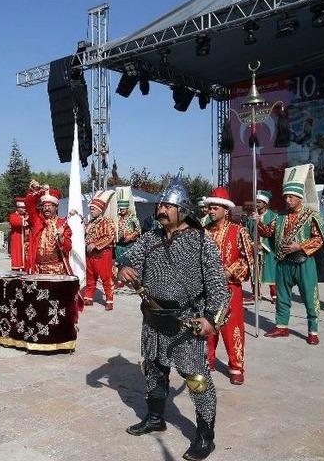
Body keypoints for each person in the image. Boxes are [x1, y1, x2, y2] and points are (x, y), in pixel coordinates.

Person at [116, 172, 229, 461]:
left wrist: (211, 320)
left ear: (183, 211)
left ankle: (205, 436)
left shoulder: (201, 243)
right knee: (153, 369)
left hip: (185, 321)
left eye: (168, 206)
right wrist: (123, 268)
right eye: (160, 205)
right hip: (153, 318)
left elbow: (219, 286)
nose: (161, 210)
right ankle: (156, 417)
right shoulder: (151, 237)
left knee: (197, 379)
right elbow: (128, 257)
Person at [255, 177, 324, 345]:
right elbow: (268, 233)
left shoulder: (311, 216)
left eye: (291, 197)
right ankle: (282, 326)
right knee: (282, 296)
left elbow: (319, 239)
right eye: (286, 197)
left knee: (309, 296)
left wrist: (299, 246)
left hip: (304, 262)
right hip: (283, 262)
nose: (287, 200)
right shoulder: (280, 216)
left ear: (300, 197)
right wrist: (258, 223)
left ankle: (312, 330)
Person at [203, 187, 253, 385]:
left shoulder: (238, 231)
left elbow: (247, 260)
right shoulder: (203, 232)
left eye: (215, 208)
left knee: (232, 328)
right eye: (209, 208)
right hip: (207, 289)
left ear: (225, 209)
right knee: (207, 326)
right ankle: (208, 360)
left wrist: (228, 271)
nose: (211, 211)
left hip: (230, 288)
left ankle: (236, 366)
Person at [25, 181, 72, 275]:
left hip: (57, 269)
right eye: (44, 206)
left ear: (56, 208)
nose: (46, 208)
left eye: (50, 206)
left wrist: (61, 237)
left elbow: (68, 248)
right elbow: (29, 205)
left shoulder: (62, 223)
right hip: (38, 269)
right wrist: (35, 191)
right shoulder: (37, 220)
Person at [84, 190, 116, 310]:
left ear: (100, 209)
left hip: (103, 254)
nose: (91, 210)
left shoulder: (107, 221)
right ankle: (88, 298)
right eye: (91, 208)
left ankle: (109, 300)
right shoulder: (90, 223)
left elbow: (110, 236)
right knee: (90, 277)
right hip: (90, 255)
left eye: (93, 208)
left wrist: (95, 245)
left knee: (106, 277)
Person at [245, 190, 278, 303]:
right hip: (254, 249)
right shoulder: (250, 218)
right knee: (255, 273)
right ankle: (256, 295)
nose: (257, 204)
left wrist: (262, 245)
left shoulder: (273, 216)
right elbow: (247, 233)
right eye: (256, 202)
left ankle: (275, 296)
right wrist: (252, 244)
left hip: (269, 250)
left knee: (271, 273)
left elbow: (272, 234)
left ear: (265, 203)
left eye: (259, 202)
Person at [8, 196, 30, 271]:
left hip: (27, 243)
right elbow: (15, 223)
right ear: (18, 208)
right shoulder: (13, 216)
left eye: (25, 207)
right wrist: (25, 219)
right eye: (23, 207)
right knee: (17, 262)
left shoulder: (27, 215)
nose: (25, 209)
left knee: (27, 263)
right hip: (18, 243)